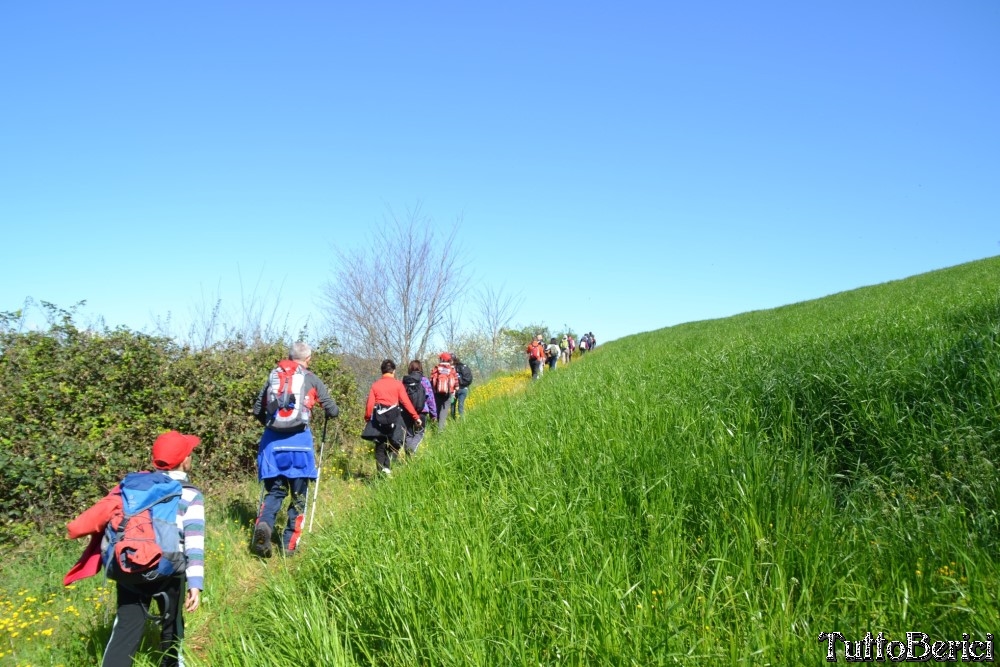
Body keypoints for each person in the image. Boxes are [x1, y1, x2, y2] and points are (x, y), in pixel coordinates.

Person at [66, 430, 204, 667]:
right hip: (170, 570)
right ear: (185, 460)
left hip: (129, 566)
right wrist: (195, 584)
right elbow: (194, 543)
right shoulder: (191, 495)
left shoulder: (132, 488)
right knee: (172, 628)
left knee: (125, 630)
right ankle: (171, 662)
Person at [252, 341, 340, 558]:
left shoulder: (273, 377)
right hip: (300, 447)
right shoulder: (310, 378)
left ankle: (264, 524)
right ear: (308, 359)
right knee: (299, 496)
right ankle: (289, 546)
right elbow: (332, 409)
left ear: (289, 357)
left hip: (272, 447)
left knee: (274, 492)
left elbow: (257, 410)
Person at [361, 359, 422, 474]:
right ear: (393, 371)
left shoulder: (375, 385)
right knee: (395, 443)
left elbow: (369, 404)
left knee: (380, 445)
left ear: (382, 371)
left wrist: (367, 418)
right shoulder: (398, 384)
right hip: (394, 419)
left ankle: (380, 473)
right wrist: (416, 417)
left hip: (379, 419)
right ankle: (387, 468)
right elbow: (406, 402)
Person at [401, 359, 436, 456]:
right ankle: (412, 449)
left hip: (407, 412)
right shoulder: (424, 380)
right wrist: (434, 414)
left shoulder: (405, 381)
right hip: (422, 411)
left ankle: (409, 458)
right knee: (419, 433)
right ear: (420, 368)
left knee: (409, 434)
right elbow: (430, 398)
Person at [430, 352, 458, 430]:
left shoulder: (436, 368)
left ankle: (439, 427)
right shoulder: (451, 369)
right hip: (448, 393)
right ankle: (440, 430)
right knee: (444, 411)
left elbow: (431, 380)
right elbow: (455, 380)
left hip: (437, 393)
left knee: (438, 410)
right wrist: (456, 388)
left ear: (441, 359)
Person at [451, 355, 473, 420]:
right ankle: (459, 421)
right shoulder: (462, 366)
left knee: (455, 406)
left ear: (453, 360)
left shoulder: (455, 368)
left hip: (458, 390)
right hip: (460, 390)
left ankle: (458, 421)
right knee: (457, 406)